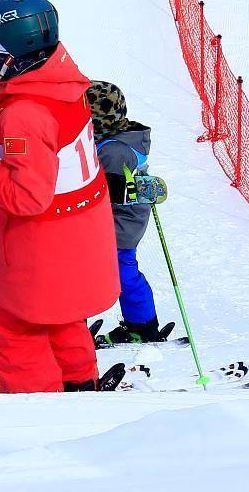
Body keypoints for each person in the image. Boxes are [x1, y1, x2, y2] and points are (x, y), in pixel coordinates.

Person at [0, 0, 118, 394]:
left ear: (8, 53)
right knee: (61, 318)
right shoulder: (64, 79)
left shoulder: (23, 114)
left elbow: (28, 197)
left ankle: (40, 414)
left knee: (14, 326)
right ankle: (81, 386)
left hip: (43, 243)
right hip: (81, 239)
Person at [87, 81, 173, 344]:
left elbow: (103, 192)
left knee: (121, 272)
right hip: (123, 219)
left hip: (120, 222)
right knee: (121, 270)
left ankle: (143, 327)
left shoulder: (114, 150)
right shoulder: (118, 138)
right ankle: (140, 323)